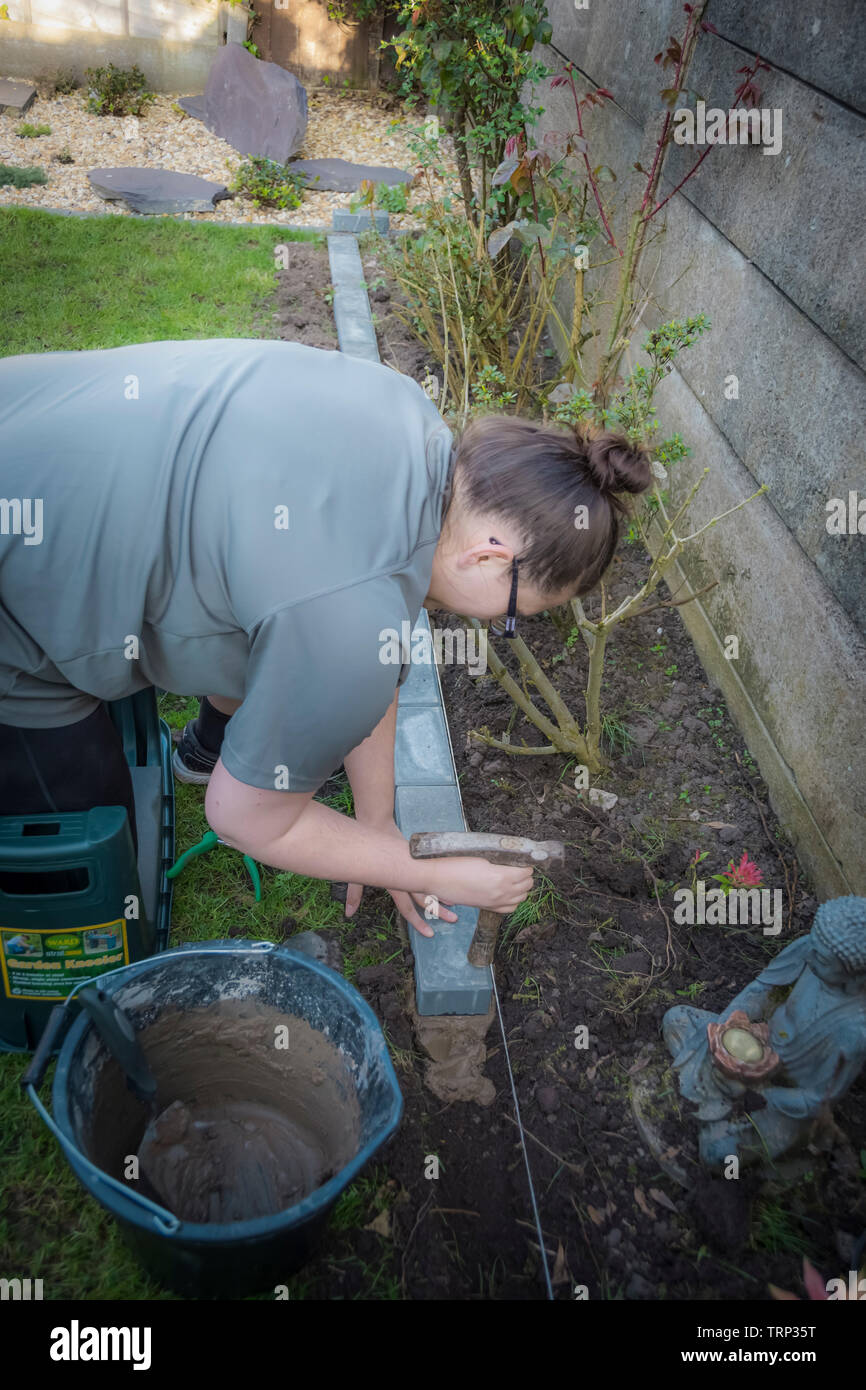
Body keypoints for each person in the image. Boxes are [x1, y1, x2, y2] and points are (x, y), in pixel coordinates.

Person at [0, 338, 651, 938]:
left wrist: (375, 827)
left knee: (267, 625)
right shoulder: (347, 615)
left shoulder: (407, 421)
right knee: (86, 841)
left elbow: (367, 641)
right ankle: (53, 989)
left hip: (36, 418)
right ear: (486, 560)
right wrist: (425, 870)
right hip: (16, 605)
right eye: (514, 613)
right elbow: (245, 816)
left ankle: (202, 751)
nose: (499, 627)